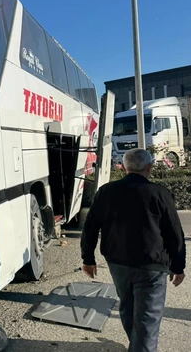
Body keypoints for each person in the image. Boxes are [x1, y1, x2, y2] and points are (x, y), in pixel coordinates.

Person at [81, 148, 186, 352]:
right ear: (149, 167)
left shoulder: (106, 191)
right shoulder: (160, 194)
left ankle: (138, 346)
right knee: (148, 317)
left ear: (123, 167)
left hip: (117, 262)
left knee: (128, 308)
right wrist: (178, 266)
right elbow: (175, 234)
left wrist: (88, 258)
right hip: (152, 266)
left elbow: (91, 226)